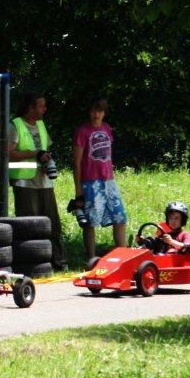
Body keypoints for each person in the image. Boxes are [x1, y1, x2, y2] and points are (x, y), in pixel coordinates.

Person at [8, 92, 66, 271]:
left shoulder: (41, 125)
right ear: (30, 107)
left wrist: (45, 159)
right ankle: (30, 264)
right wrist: (35, 154)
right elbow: (9, 153)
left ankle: (58, 262)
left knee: (52, 224)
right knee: (29, 225)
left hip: (44, 182)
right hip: (25, 183)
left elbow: (45, 148)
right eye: (41, 106)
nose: (44, 109)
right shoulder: (15, 125)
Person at [73, 97, 127, 260]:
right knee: (90, 221)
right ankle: (91, 257)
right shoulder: (82, 131)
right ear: (89, 112)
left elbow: (108, 158)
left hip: (108, 181)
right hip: (90, 182)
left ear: (104, 112)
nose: (96, 114)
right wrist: (78, 190)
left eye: (100, 110)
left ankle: (123, 255)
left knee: (120, 216)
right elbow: (76, 162)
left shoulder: (106, 128)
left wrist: (112, 178)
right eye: (94, 110)